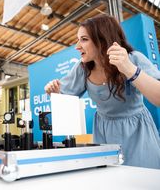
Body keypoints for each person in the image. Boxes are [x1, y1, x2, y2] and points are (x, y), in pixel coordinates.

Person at [44, 14, 160, 169]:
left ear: (102, 39)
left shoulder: (133, 59)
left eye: (84, 39)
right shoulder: (82, 68)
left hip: (138, 133)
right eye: (78, 40)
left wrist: (129, 69)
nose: (77, 46)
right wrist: (55, 92)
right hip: (104, 134)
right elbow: (64, 98)